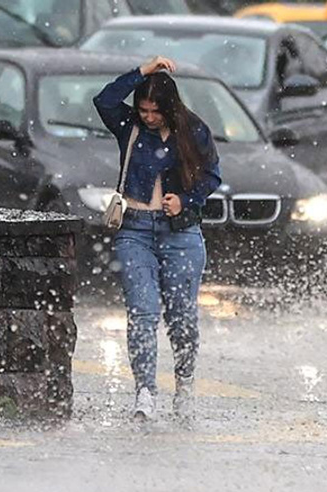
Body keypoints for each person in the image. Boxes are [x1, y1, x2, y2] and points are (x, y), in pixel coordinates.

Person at [93, 56, 222, 422]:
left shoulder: (193, 130)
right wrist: (143, 72)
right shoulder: (129, 126)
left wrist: (186, 199)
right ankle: (145, 391)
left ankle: (184, 383)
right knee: (142, 314)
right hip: (134, 231)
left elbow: (213, 175)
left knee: (181, 318)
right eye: (143, 109)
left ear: (169, 107)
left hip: (181, 234)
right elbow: (103, 100)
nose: (148, 116)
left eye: (155, 110)